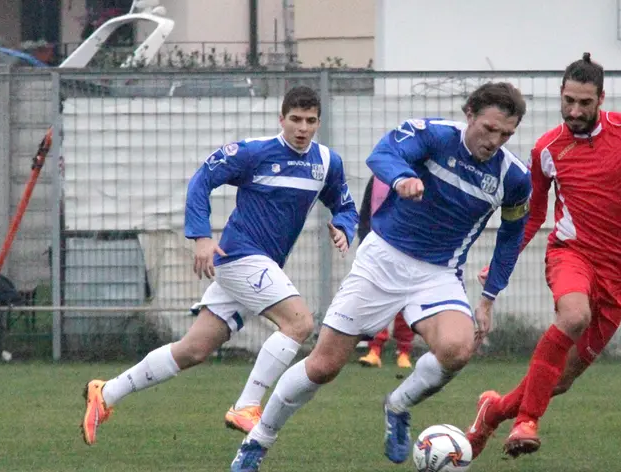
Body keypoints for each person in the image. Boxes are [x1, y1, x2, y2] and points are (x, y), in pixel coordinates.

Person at [230, 82, 533, 471]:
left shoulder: (514, 178)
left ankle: (398, 405)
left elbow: (511, 235)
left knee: (458, 349)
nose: (494, 141)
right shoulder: (433, 135)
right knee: (323, 365)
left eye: (505, 134)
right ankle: (258, 440)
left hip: (438, 273)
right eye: (489, 129)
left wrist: (489, 297)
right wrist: (402, 176)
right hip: (382, 261)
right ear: (469, 113)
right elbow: (384, 153)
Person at [79, 85, 359, 446]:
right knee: (299, 322)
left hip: (260, 264)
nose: (302, 128)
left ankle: (106, 393)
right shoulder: (253, 152)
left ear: (318, 122)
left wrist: (344, 228)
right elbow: (202, 181)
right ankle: (246, 405)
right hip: (241, 255)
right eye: (295, 120)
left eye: (310, 121)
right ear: (281, 119)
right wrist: (200, 237)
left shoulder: (326, 162)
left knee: (193, 349)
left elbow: (346, 205)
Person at [465, 53, 621, 460]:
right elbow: (533, 214)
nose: (574, 111)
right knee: (574, 316)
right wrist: (507, 257)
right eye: (568, 101)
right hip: (571, 253)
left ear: (601, 99)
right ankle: (527, 423)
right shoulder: (547, 148)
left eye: (584, 103)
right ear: (560, 95)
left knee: (558, 379)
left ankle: (492, 413)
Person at [356, 175, 415, 369]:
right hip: (379, 249)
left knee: (405, 300)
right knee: (377, 300)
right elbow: (365, 213)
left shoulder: (419, 176)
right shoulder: (377, 178)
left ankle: (404, 352)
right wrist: (364, 240)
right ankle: (374, 350)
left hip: (409, 249)